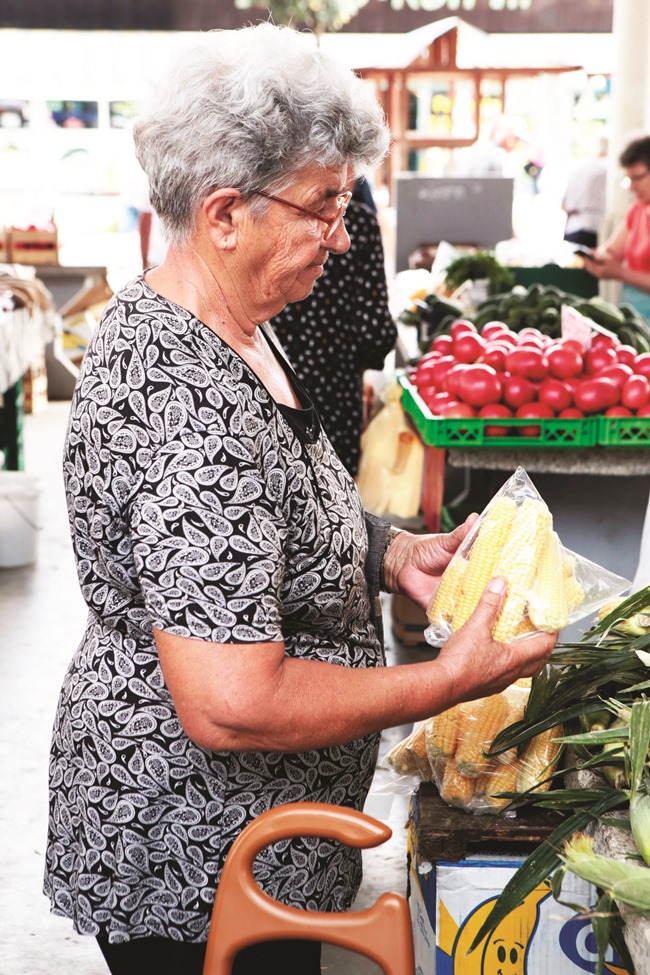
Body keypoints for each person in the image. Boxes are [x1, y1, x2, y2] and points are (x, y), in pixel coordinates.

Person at [43, 24, 557, 975]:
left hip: (259, 841)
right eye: (323, 205)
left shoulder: (238, 322)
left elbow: (274, 509)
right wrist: (450, 681)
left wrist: (391, 551)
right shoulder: (187, 403)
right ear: (226, 211)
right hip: (196, 857)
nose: (343, 233)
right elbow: (231, 703)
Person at [271, 192, 397, 476]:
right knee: (332, 487)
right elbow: (374, 328)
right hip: (337, 387)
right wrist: (369, 365)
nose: (338, 240)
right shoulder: (360, 223)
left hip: (273, 374)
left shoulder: (277, 213)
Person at [583, 134, 650, 319]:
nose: (632, 187)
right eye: (629, 179)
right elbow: (613, 250)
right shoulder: (637, 208)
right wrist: (598, 257)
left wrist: (620, 272)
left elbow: (619, 269)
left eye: (638, 178)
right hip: (635, 313)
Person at [562, 136, 608, 250]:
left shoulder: (578, 167)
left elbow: (563, 205)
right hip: (591, 227)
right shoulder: (606, 168)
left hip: (571, 228)